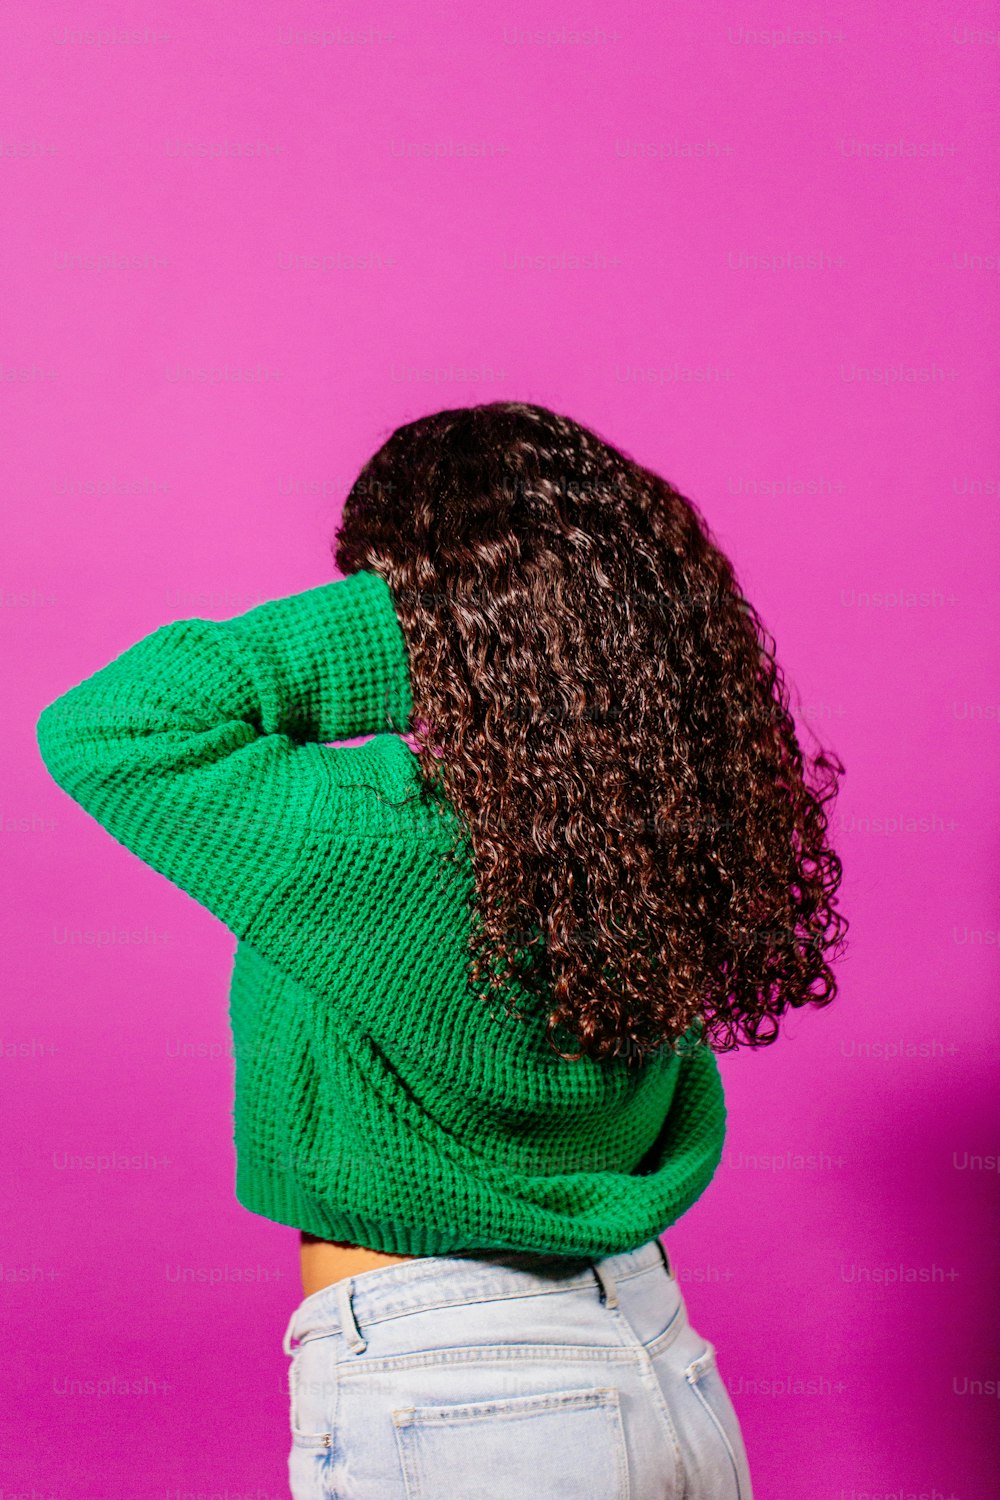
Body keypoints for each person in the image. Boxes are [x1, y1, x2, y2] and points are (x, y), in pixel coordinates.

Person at [36, 400, 848, 1498]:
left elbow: (112, 724)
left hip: (458, 1398)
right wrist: (556, 636)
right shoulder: (633, 847)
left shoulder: (372, 836)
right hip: (665, 1365)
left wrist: (427, 621)